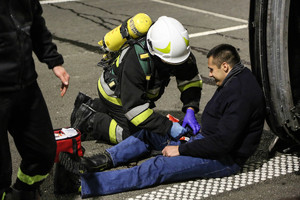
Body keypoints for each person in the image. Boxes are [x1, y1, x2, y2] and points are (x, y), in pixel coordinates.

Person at [59, 44, 266, 198]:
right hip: (205, 140)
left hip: (222, 158)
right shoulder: (235, 78)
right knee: (150, 132)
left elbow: (223, 143)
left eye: (212, 70)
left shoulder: (241, 94)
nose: (210, 75)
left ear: (225, 66)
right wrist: (190, 120)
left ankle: (83, 183)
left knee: (158, 167)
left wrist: (181, 150)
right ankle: (95, 163)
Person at [70, 16, 202, 144]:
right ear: (153, 53)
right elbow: (135, 109)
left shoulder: (179, 53)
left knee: (148, 127)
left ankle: (94, 106)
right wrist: (167, 127)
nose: (175, 66)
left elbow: (190, 82)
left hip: (134, 93)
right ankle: (91, 120)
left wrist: (190, 109)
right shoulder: (135, 62)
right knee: (135, 137)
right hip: (113, 94)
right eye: (169, 62)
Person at [0, 0, 69, 199]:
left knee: (43, 152)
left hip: (25, 85)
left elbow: (36, 25)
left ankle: (24, 192)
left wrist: (54, 61)